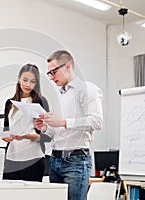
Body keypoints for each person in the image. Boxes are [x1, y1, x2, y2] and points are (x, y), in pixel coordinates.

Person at [34, 50, 103, 200]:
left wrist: (63, 122)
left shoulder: (87, 89)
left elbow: (97, 121)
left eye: (54, 72)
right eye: (49, 74)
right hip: (54, 160)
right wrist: (45, 128)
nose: (51, 78)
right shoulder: (59, 95)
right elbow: (56, 131)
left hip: (76, 161)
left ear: (68, 66)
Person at [2, 63, 51, 182]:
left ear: (37, 83)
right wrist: (5, 136)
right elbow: (5, 129)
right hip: (11, 157)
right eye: (25, 80)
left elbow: (48, 136)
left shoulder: (40, 101)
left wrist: (33, 137)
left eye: (32, 81)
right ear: (18, 78)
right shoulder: (10, 103)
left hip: (33, 157)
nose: (28, 85)